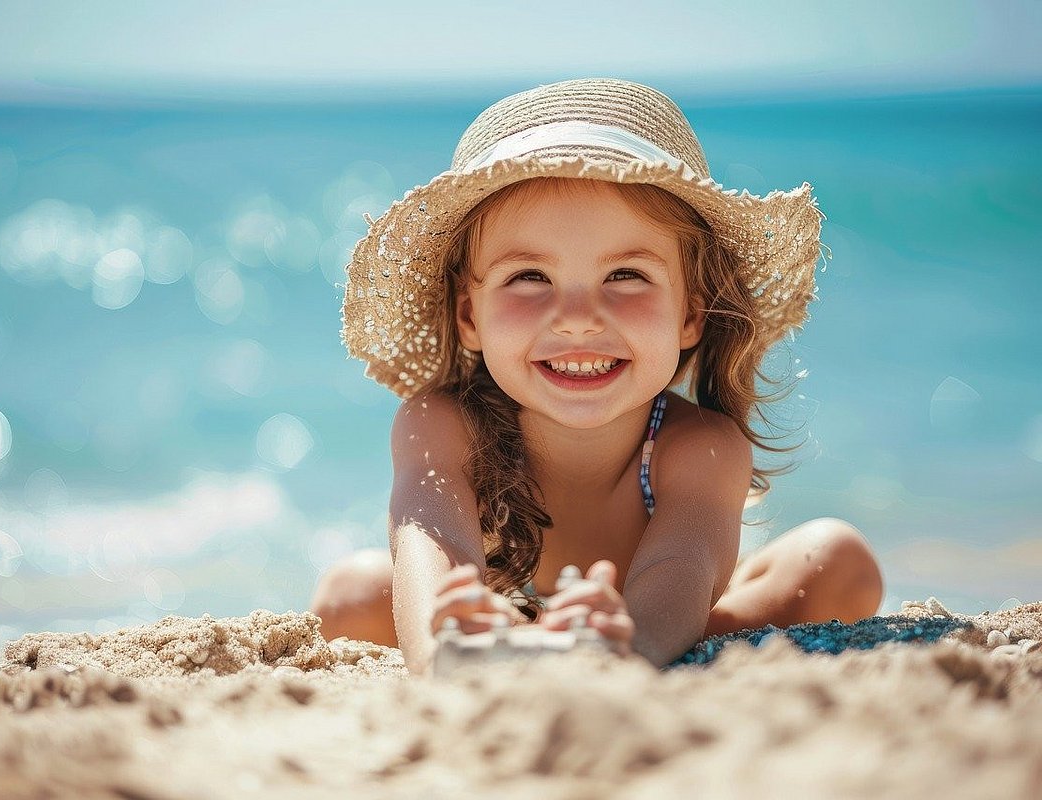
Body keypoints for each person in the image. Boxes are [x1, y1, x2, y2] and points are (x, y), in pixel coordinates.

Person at [311, 78, 883, 675]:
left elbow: (679, 570)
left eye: (625, 276)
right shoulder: (444, 426)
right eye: (530, 276)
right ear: (467, 315)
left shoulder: (697, 445)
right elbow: (440, 552)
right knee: (350, 595)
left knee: (837, 560)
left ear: (690, 313)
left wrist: (620, 641)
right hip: (502, 612)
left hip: (649, 621)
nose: (579, 321)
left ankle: (681, 642)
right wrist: (448, 643)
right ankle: (518, 637)